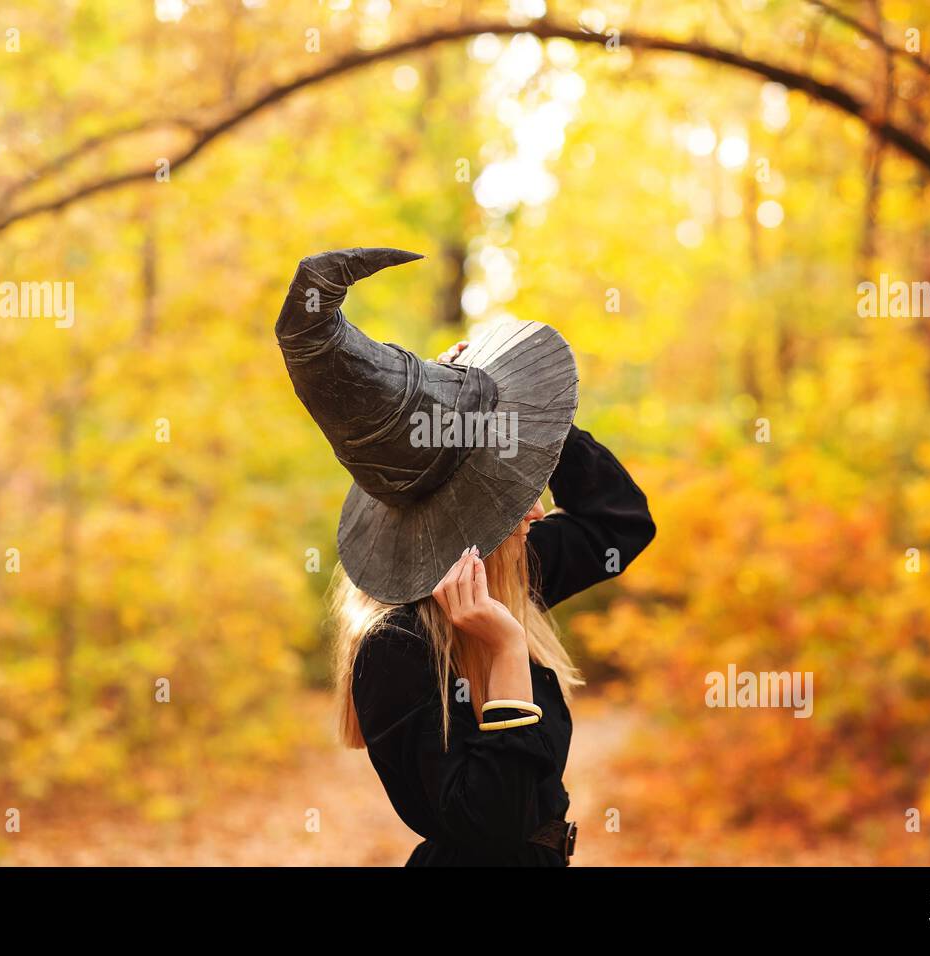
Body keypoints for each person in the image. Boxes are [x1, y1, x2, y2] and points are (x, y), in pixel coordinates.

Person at [275, 248, 655, 865]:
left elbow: (620, 524)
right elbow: (489, 831)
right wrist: (506, 655)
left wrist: (528, 421)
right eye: (513, 500)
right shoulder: (397, 648)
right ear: (466, 524)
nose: (537, 512)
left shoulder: (504, 575)